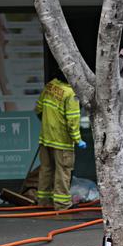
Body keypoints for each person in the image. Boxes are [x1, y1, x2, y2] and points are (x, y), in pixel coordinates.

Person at [34, 76, 86, 211]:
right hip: (62, 142)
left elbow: (38, 109)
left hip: (46, 138)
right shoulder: (71, 94)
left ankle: (44, 202)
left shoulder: (50, 85)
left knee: (46, 169)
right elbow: (72, 121)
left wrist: (48, 125)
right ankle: (62, 204)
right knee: (63, 171)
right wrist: (78, 139)